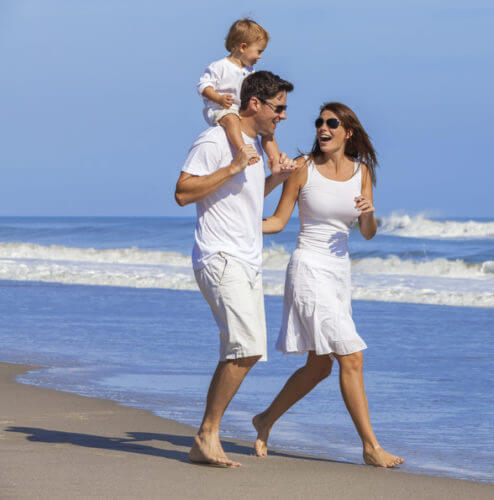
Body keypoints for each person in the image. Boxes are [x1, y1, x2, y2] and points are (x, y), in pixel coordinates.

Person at [252, 102, 404, 468]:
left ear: (347, 132)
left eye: (332, 123)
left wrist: (368, 213)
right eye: (320, 122)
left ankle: (265, 419)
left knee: (320, 366)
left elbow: (367, 233)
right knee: (352, 356)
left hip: (339, 273)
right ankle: (370, 446)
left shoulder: (361, 172)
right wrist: (233, 226)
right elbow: (277, 220)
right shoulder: (304, 168)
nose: (323, 128)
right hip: (308, 267)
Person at [174, 71, 296, 467]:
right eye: (278, 108)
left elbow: (244, 197)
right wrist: (231, 166)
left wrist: (276, 179)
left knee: (244, 349)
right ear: (255, 104)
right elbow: (182, 192)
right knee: (245, 348)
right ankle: (206, 435)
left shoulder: (251, 148)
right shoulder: (214, 140)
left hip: (246, 260)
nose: (282, 116)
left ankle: (206, 436)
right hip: (219, 256)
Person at [197, 18, 283, 170]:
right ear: (243, 47)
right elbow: (203, 87)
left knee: (267, 129)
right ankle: (242, 150)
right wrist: (219, 98)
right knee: (231, 119)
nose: (260, 56)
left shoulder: (250, 72)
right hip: (222, 110)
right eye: (259, 51)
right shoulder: (220, 66)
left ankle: (276, 162)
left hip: (242, 110)